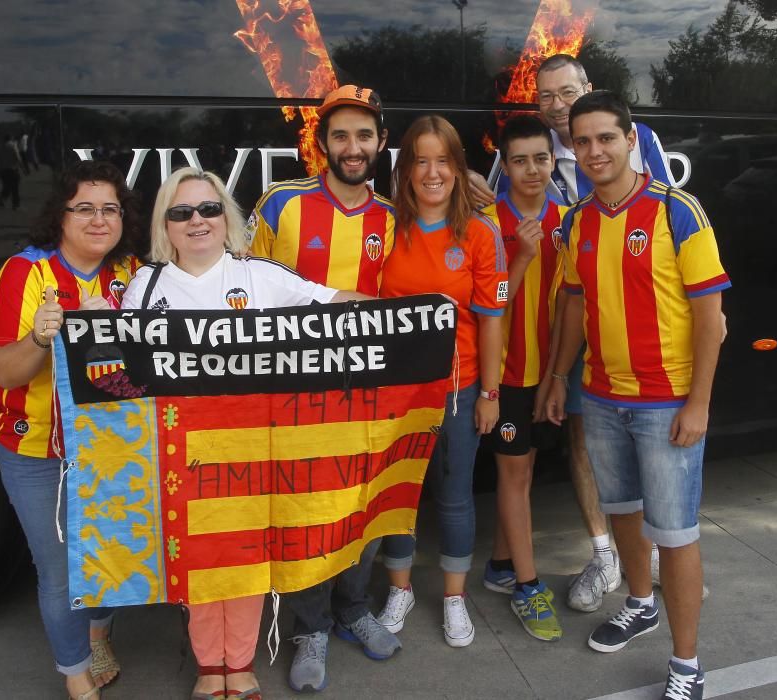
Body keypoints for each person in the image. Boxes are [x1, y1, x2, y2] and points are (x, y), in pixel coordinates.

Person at [122, 167, 370, 700]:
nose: (197, 221)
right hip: (182, 451)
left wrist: (412, 315)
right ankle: (211, 664)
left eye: (208, 209)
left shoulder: (258, 274)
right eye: (181, 211)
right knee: (203, 561)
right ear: (165, 225)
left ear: (226, 217)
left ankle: (242, 661)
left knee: (248, 558)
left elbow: (333, 303)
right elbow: (123, 365)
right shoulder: (147, 285)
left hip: (255, 448)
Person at [471, 53, 677, 613]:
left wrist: (561, 369)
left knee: (588, 448)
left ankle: (637, 552)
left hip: (590, 346)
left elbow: (648, 229)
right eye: (547, 97)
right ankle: (572, 563)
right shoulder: (500, 220)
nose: (558, 107)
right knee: (530, 467)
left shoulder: (581, 207)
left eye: (567, 94)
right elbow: (492, 291)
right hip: (520, 366)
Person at [545, 90, 730, 700]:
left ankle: (686, 664)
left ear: (630, 139)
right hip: (599, 398)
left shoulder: (678, 210)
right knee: (622, 512)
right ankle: (639, 602)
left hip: (666, 404)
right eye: (583, 140)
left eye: (606, 138)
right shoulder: (578, 220)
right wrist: (556, 377)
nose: (595, 150)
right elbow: (572, 305)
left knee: (674, 536)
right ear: (572, 148)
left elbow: (712, 320)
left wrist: (698, 404)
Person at [248, 85, 400, 693]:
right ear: (323, 142)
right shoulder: (280, 205)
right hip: (294, 395)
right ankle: (307, 628)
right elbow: (245, 291)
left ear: (381, 143)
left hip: (368, 394)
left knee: (363, 504)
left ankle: (353, 608)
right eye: (341, 135)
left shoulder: (391, 218)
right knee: (307, 512)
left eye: (365, 135)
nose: (353, 147)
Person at [0, 160, 141, 700]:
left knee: (108, 553)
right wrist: (40, 337)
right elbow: (6, 372)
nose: (98, 220)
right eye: (84, 209)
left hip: (108, 448)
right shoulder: (24, 274)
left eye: (110, 209)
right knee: (58, 570)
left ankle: (98, 636)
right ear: (61, 215)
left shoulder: (131, 272)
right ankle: (77, 678)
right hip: (36, 450)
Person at [376, 115, 507, 649]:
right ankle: (400, 590)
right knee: (397, 496)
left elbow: (492, 320)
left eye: (443, 160)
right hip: (395, 392)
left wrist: (491, 394)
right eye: (420, 160)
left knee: (454, 498)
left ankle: (454, 597)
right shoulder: (385, 228)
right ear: (406, 170)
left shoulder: (481, 233)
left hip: (461, 388)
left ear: (459, 168)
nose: (432, 172)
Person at [479, 115, 567, 641]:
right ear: (504, 165)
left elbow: (571, 305)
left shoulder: (569, 219)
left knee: (526, 473)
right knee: (514, 477)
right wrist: (524, 255)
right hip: (506, 373)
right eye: (520, 160)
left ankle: (498, 566)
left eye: (541, 158)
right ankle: (528, 588)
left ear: (553, 160)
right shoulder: (488, 222)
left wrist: (557, 373)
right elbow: (488, 308)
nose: (531, 169)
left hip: (546, 372)